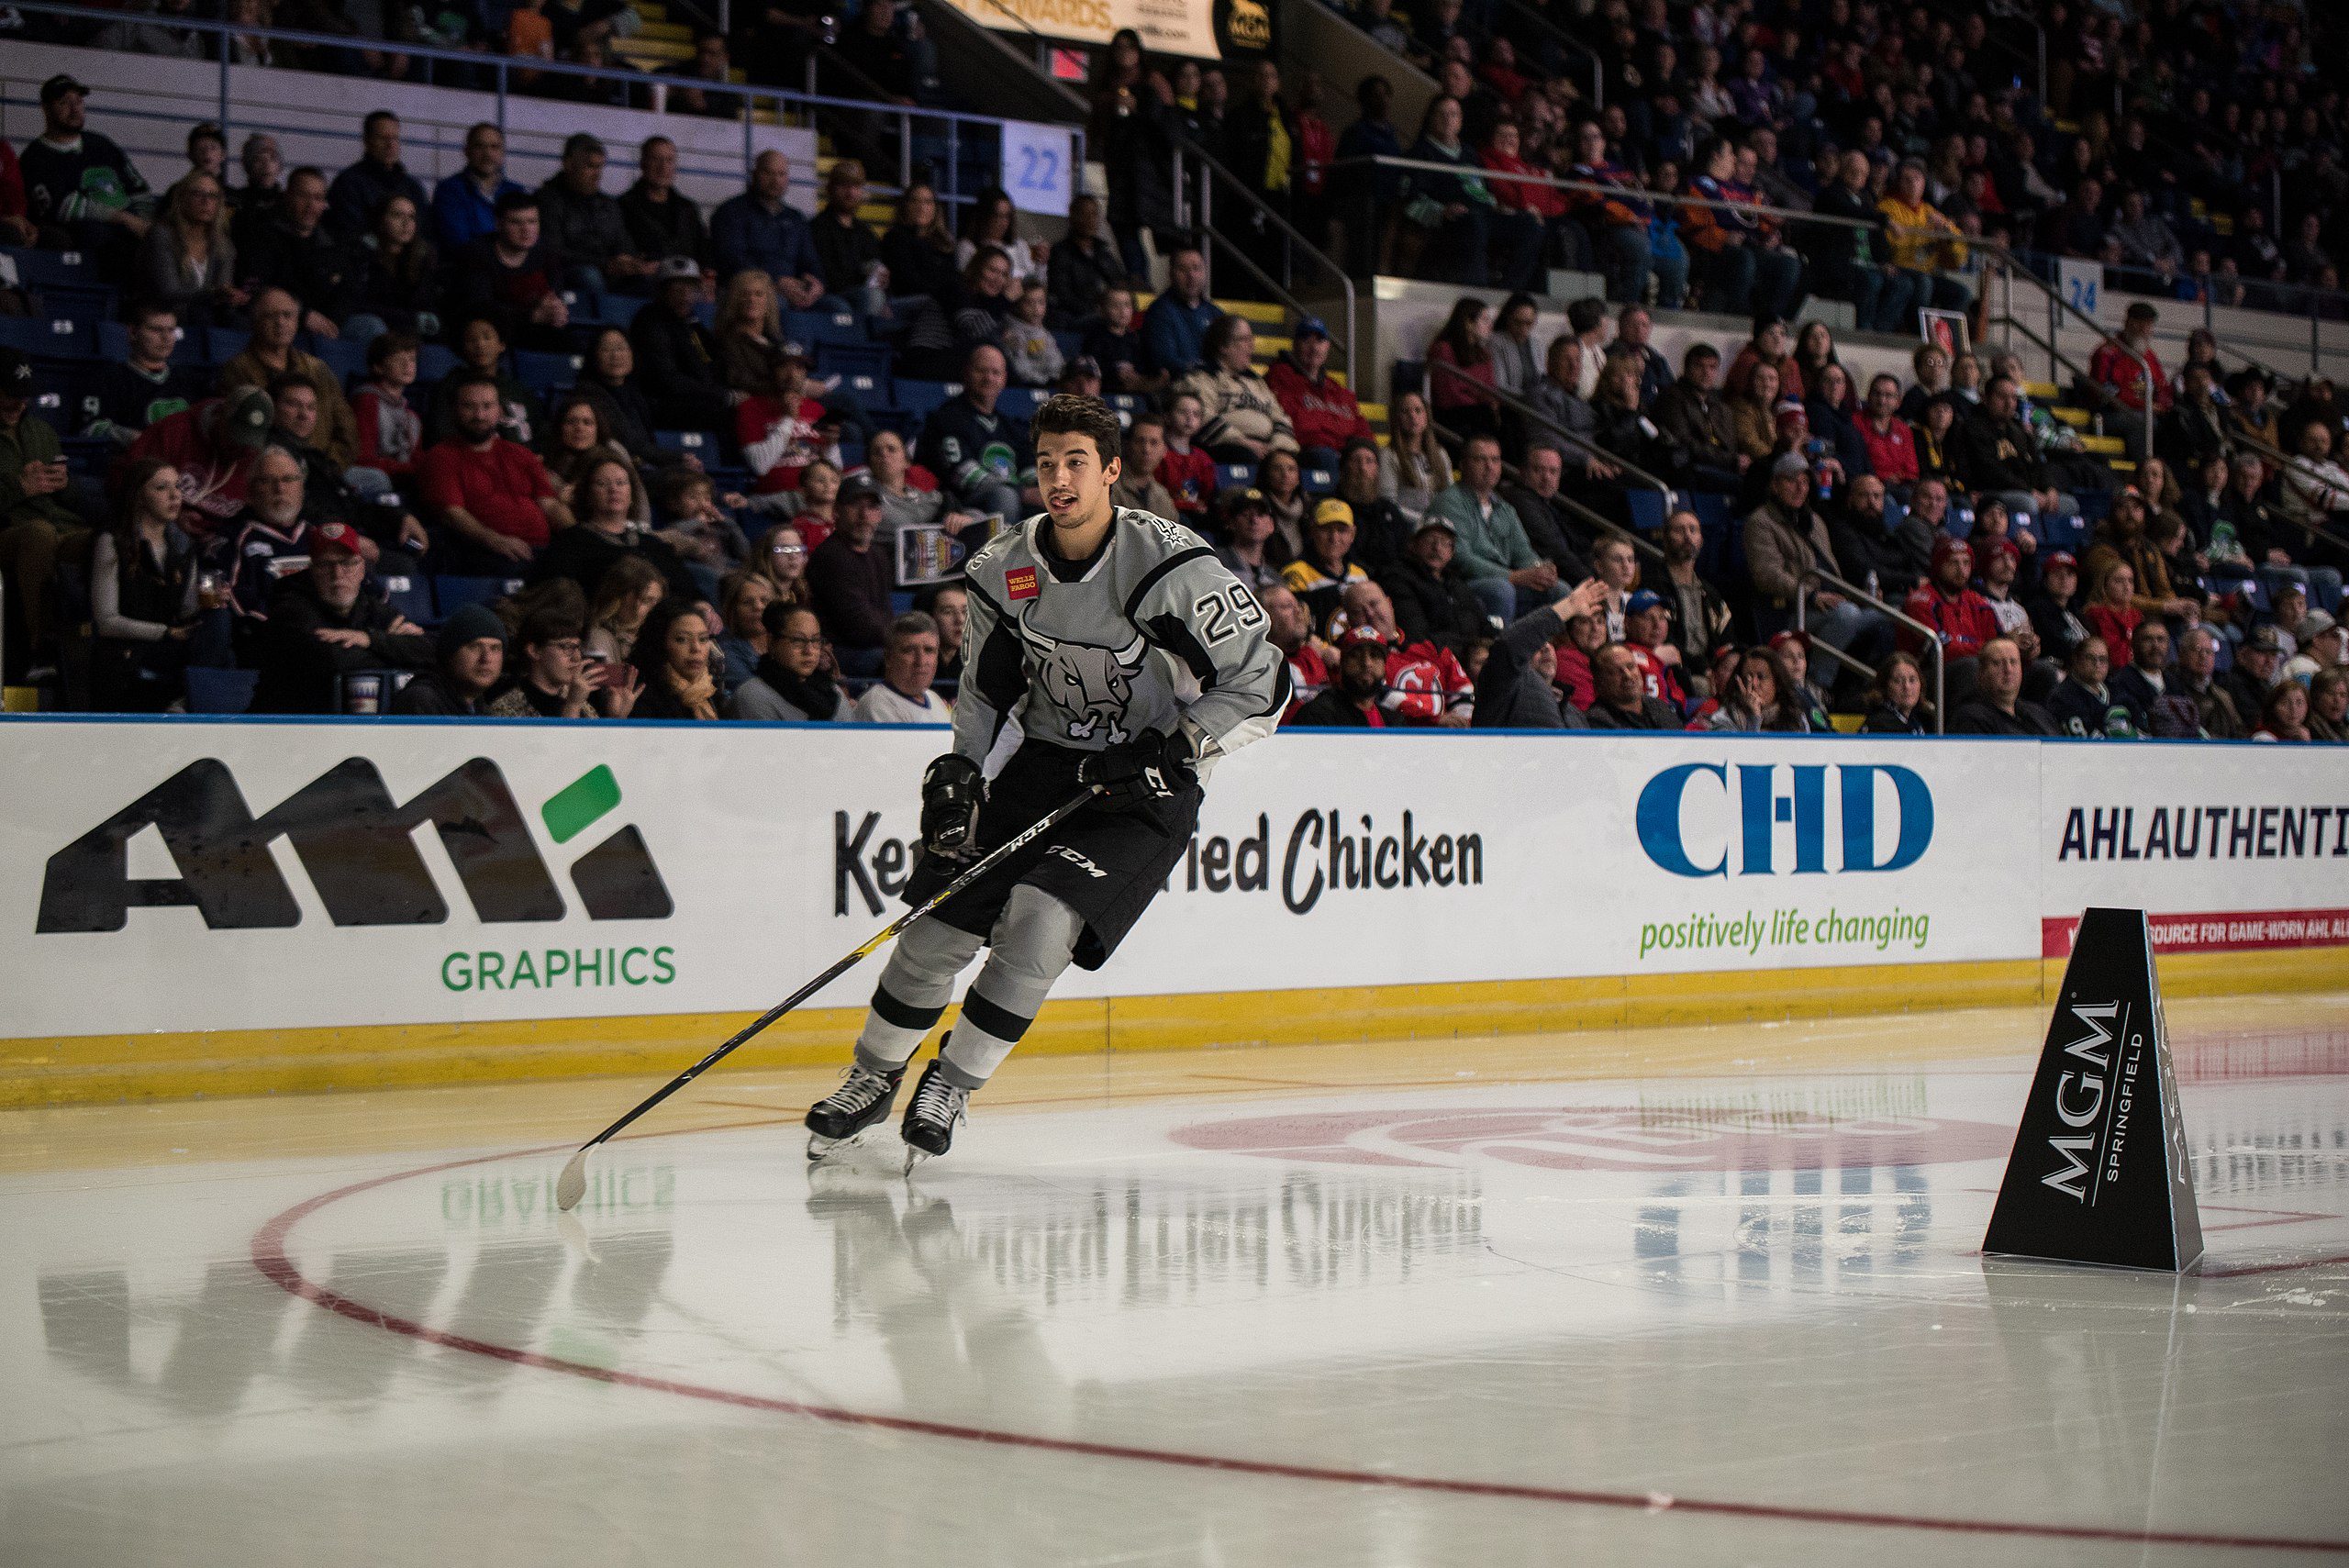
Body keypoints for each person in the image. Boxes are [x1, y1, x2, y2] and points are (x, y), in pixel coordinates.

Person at [801, 393, 1283, 1166]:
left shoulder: (1173, 567)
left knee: (1038, 923)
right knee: (932, 930)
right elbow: (986, 689)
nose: (1059, 477)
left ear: (1112, 472)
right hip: (1044, 767)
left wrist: (1175, 747)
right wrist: (961, 766)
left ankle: (951, 1082)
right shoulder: (1003, 564)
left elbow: (1264, 682)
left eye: (1077, 462)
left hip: (1146, 788)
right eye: (1048, 461)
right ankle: (870, 1076)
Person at [249, 520, 432, 713]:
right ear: (312, 570)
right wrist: (396, 648)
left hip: (341, 727)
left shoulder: (368, 605)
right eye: (326, 564)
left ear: (362, 569)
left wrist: (369, 639)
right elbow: (333, 660)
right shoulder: (290, 609)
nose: (337, 574)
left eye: (346, 563)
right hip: (282, 726)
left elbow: (429, 650)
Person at [418, 373, 573, 570]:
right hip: (485, 553)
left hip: (541, 551)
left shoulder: (522, 454)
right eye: (469, 406)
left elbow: (550, 505)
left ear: (499, 412)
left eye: (487, 406)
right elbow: (452, 514)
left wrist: (577, 538)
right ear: (454, 411)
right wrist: (495, 540)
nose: (479, 415)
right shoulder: (440, 457)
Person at [217, 287, 360, 470]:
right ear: (255, 321)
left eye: (288, 315)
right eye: (271, 316)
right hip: (270, 471)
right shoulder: (237, 369)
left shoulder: (318, 369)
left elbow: (347, 431)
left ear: (297, 321)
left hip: (325, 468)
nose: (280, 322)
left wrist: (324, 465)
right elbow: (244, 436)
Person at [19, 76, 153, 267]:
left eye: (78, 101)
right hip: (92, 237)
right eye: (64, 102)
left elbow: (138, 188)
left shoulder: (101, 144)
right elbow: (65, 206)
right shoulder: (36, 157)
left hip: (130, 228)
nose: (74, 109)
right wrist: (126, 220)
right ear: (46, 109)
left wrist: (145, 223)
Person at [1432, 433, 1560, 625]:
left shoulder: (1505, 508)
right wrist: (1513, 576)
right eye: (1480, 460)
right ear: (1463, 464)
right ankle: (1499, 650)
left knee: (1560, 590)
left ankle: (1551, 651)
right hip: (1463, 583)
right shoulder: (1449, 502)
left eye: (1495, 460)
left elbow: (1523, 553)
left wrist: (1540, 570)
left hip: (1507, 580)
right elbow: (1461, 557)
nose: (1489, 466)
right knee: (1501, 590)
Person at [918, 344, 1036, 527]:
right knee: (1005, 495)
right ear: (966, 373)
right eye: (981, 371)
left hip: (1014, 499)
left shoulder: (1010, 426)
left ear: (1004, 379)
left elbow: (1028, 466)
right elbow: (962, 474)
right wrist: (1021, 492)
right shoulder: (946, 418)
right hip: (965, 504)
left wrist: (1041, 489)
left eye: (995, 373)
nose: (988, 378)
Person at [536, 133, 651, 306]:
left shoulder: (608, 205)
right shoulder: (547, 201)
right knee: (590, 277)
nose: (597, 174)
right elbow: (553, 250)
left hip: (607, 272)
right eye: (590, 166)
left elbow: (623, 241)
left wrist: (629, 261)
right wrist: (605, 264)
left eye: (600, 167)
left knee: (646, 282)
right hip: (567, 275)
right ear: (568, 164)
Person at [451, 190, 571, 354]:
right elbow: (481, 307)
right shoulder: (477, 254)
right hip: (489, 336)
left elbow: (555, 293)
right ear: (498, 224)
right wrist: (531, 316)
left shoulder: (546, 250)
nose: (526, 230)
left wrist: (557, 309)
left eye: (532, 222)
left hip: (537, 331)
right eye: (516, 222)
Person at [629, 258, 735, 433]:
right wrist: (721, 395)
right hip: (664, 404)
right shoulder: (650, 321)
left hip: (699, 399)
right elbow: (667, 379)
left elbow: (713, 363)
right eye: (677, 288)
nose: (685, 295)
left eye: (691, 288)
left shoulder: (694, 325)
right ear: (663, 291)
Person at [1174, 316, 1297, 464]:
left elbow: (1280, 417)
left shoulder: (1257, 382)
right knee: (1245, 456)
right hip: (1230, 447)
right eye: (1245, 339)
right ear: (1223, 346)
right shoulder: (1202, 377)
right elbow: (1202, 417)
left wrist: (1277, 447)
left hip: (1268, 448)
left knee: (1298, 462)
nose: (1252, 346)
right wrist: (1244, 442)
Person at [807, 475, 895, 674]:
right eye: (855, 505)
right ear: (836, 511)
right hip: (841, 651)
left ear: (879, 514)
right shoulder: (830, 556)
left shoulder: (878, 554)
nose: (864, 515)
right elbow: (858, 626)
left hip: (873, 646)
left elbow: (884, 611)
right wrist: (901, 638)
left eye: (871, 507)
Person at [83, 305, 203, 450]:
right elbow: (90, 428)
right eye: (156, 330)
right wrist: (138, 439)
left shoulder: (189, 379)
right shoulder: (108, 378)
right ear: (133, 332)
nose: (166, 338)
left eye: (171, 330)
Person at [710, 152, 824, 305]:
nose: (775, 180)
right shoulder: (731, 212)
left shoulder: (796, 218)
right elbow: (732, 259)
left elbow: (811, 261)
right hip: (748, 291)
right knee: (778, 302)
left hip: (793, 291)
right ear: (755, 174)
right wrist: (775, 282)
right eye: (768, 173)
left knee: (837, 308)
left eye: (781, 174)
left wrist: (816, 283)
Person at [1266, 319, 1369, 473]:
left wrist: (1361, 449)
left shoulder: (1335, 388)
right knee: (1325, 456)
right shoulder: (1279, 378)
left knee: (1367, 457)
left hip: (1339, 454)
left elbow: (1360, 426)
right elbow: (1298, 426)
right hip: (1305, 454)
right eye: (1307, 340)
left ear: (1327, 346)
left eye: (1320, 341)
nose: (1314, 348)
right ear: (1295, 344)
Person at [729, 601, 843, 721]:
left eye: (815, 640)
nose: (809, 650)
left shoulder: (833, 691)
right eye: (798, 640)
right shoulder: (753, 695)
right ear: (772, 642)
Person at [391, 603, 507, 716]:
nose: (486, 658)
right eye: (475, 647)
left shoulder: (478, 704)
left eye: (495, 648)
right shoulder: (422, 700)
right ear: (450, 653)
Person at [327, 111, 428, 240]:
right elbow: (353, 232)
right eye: (383, 138)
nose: (390, 145)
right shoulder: (348, 184)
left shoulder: (413, 188)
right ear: (367, 141)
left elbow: (424, 232)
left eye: (395, 138)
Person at [487, 606, 600, 717]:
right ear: (534, 651)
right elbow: (563, 737)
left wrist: (616, 714)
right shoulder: (507, 707)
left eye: (577, 647)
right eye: (567, 647)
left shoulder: (574, 697)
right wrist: (573, 706)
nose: (577, 657)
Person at [619, 137, 710, 270]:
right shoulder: (624, 207)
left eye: (669, 160)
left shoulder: (688, 209)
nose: (663, 167)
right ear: (643, 163)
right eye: (655, 159)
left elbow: (703, 250)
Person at [432, 123, 524, 253]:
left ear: (502, 153)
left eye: (494, 147)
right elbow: (458, 243)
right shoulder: (449, 191)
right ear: (467, 151)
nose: (487, 154)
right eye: (479, 146)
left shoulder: (516, 192)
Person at [626, 598, 722, 719]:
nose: (696, 648)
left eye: (703, 639)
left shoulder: (712, 692)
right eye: (682, 639)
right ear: (659, 643)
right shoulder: (640, 696)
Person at [850, 612, 953, 723]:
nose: (921, 661)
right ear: (888, 658)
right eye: (909, 651)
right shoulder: (878, 704)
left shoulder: (934, 698)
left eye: (929, 650)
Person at [1945, 636, 2059, 736]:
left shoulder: (2040, 715)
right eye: (1997, 663)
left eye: (2013, 662)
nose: (2008, 669)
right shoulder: (1970, 719)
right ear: (1981, 673)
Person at [1141, 245, 1221, 378]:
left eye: (1196, 268)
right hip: (1181, 386)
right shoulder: (1159, 312)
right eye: (1183, 270)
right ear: (1171, 274)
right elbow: (1166, 361)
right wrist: (1205, 369)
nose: (1191, 275)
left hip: (1215, 383)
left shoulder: (1215, 313)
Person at [1290, 626, 1392, 727]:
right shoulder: (1317, 714)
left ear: (1385, 666)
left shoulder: (1393, 721)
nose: (1366, 663)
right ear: (1342, 663)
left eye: (1374, 655)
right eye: (1355, 655)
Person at [2046, 633, 2141, 739]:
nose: (2097, 664)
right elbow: (2084, 742)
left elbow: (2141, 728)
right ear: (2076, 659)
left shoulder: (2118, 690)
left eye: (2102, 659)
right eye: (2090, 658)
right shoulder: (2064, 697)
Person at [1583, 642, 1679, 728]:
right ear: (1599, 683)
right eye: (1615, 671)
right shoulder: (1597, 721)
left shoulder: (1660, 707)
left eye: (1631, 666)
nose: (1628, 675)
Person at [1110, 416, 1178, 524]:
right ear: (1128, 445)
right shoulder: (1110, 487)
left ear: (1164, 450)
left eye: (1154, 443)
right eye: (1140, 441)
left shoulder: (1163, 497)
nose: (1146, 449)